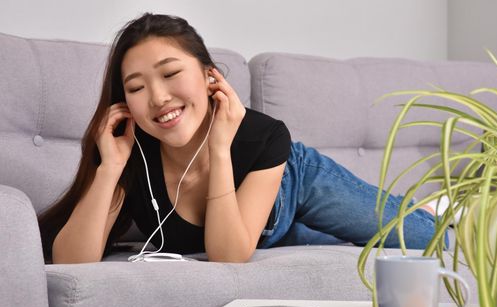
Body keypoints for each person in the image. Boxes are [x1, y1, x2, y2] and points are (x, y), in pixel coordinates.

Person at [38, 13, 437, 264]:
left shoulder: (262, 136)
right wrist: (108, 169)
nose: (158, 98)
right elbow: (72, 263)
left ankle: (445, 211)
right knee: (326, 237)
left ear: (209, 76)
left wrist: (219, 148)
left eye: (171, 73)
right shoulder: (127, 149)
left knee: (426, 238)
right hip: (255, 229)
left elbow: (227, 254)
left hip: (296, 185)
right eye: (137, 87)